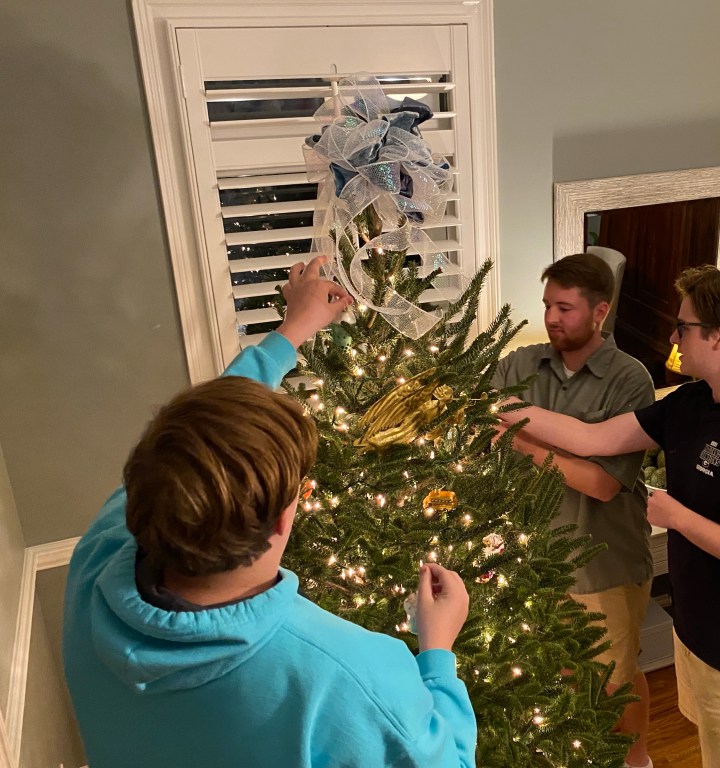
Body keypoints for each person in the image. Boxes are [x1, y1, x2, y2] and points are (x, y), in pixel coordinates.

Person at [63, 255, 477, 768]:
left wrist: (291, 332)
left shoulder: (98, 553)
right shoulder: (343, 677)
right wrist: (437, 655)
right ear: (286, 519)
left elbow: (205, 438)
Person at [499, 265, 720, 768]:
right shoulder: (690, 402)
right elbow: (593, 439)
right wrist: (511, 413)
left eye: (684, 327)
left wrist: (680, 517)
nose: (673, 337)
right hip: (697, 631)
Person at [491, 252, 656, 768]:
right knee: (553, 672)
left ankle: (637, 760)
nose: (552, 318)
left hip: (601, 563)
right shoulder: (519, 365)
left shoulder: (630, 381)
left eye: (565, 307)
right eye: (547, 306)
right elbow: (481, 426)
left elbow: (603, 483)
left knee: (614, 678)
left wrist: (522, 443)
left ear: (600, 311)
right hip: (532, 558)